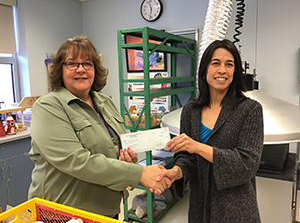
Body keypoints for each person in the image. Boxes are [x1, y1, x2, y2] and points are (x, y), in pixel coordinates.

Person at [28, 36, 169, 219]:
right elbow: (78, 161)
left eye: (88, 63)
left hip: (106, 208)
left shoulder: (104, 102)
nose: (81, 69)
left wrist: (126, 159)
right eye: (72, 63)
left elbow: (113, 146)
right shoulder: (48, 107)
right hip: (65, 213)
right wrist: (139, 173)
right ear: (60, 70)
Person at [157, 39, 264, 222]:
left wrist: (198, 147)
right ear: (205, 69)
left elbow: (247, 164)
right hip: (200, 208)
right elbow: (187, 158)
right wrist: (176, 172)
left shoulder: (250, 110)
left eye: (229, 64)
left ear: (235, 72)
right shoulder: (191, 111)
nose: (222, 70)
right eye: (215, 63)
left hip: (236, 209)